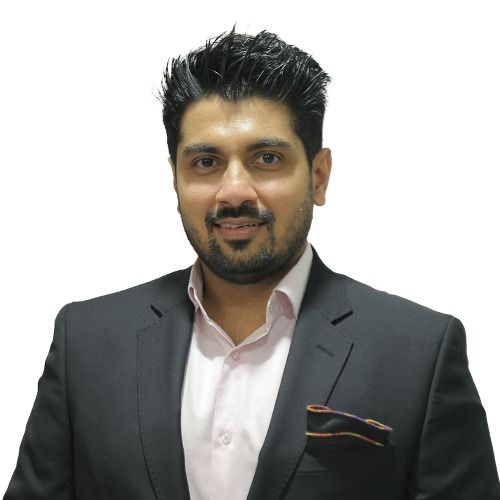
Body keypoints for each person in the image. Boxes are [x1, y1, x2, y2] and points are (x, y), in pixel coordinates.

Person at [4, 28, 499, 500]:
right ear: (175, 179)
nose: (234, 191)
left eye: (266, 159)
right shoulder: (85, 343)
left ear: (319, 176)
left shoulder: (421, 353)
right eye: (206, 162)